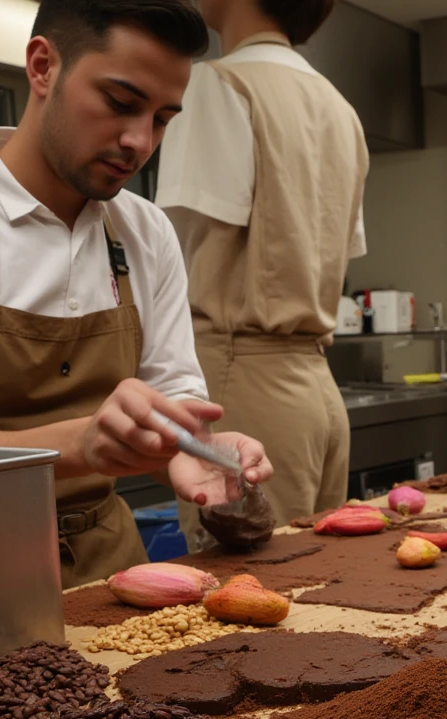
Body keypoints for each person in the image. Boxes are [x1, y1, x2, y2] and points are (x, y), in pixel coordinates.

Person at [0, 0, 272, 589]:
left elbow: (171, 402)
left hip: (113, 570)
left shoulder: (146, 231)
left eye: (162, 119)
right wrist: (80, 444)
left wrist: (193, 449)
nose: (139, 141)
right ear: (42, 66)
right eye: (121, 103)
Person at [155, 0, 368, 534]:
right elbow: (342, 246)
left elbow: (165, 250)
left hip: (241, 378)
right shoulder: (340, 107)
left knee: (245, 577)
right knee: (314, 570)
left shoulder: (215, 85)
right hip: (318, 388)